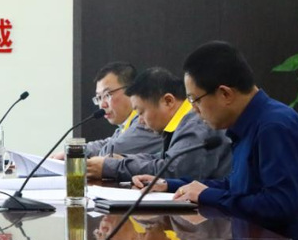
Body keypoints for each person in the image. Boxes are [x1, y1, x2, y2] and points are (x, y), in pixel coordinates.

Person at [135, 41, 298, 240]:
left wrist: (208, 195)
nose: (194, 110)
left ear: (225, 93)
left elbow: (278, 206)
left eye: (195, 100)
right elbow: (238, 186)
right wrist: (169, 185)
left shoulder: (274, 126)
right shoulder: (249, 123)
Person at [91, 67, 231, 181]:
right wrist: (123, 160)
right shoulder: (180, 124)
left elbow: (173, 171)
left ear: (168, 101)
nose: (139, 121)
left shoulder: (195, 124)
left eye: (141, 112)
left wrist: (111, 167)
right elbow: (162, 158)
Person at [53, 62, 161, 160]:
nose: (102, 105)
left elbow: (110, 153)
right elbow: (107, 143)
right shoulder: (126, 125)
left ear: (130, 90)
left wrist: (76, 153)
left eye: (107, 95)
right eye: (99, 98)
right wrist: (73, 151)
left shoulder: (145, 122)